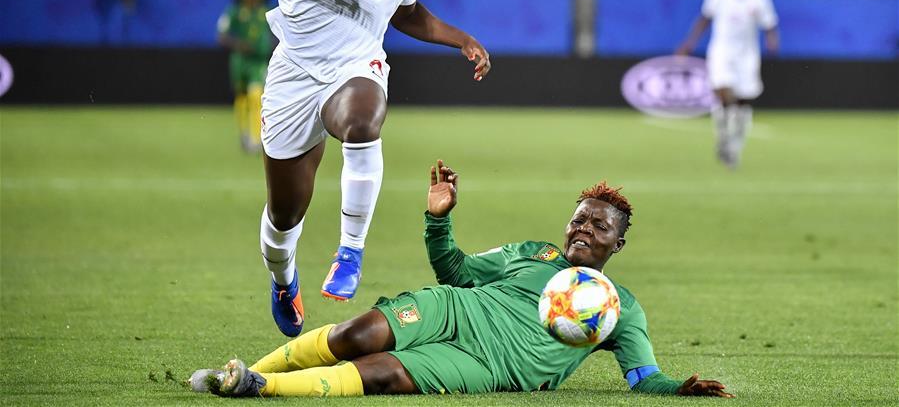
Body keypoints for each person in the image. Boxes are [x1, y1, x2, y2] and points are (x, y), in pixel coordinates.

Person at [188, 160, 734, 399]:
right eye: (578, 219)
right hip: (457, 308)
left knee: (380, 373)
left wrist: (678, 389)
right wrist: (438, 219)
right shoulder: (534, 252)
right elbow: (457, 272)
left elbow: (643, 378)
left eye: (599, 226)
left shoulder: (620, 308)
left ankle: (261, 388)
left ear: (618, 243)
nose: (583, 229)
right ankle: (239, 373)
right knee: (356, 335)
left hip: (490, 365)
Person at [258, 0, 491, 339]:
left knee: (364, 119)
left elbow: (408, 15)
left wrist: (462, 39)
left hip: (355, 65)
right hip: (294, 71)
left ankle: (350, 252)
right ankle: (283, 279)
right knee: (284, 214)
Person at [678, 0, 779, 167]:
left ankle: (734, 146)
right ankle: (723, 134)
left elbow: (769, 24)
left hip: (747, 55)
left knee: (743, 102)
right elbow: (704, 20)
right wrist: (689, 43)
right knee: (723, 90)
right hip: (722, 52)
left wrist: (772, 43)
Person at [217, 0, 274, 152]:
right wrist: (240, 45)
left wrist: (271, 45)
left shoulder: (266, 11)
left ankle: (256, 139)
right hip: (240, 61)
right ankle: (244, 133)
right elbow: (222, 36)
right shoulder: (234, 11)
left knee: (256, 96)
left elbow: (277, 33)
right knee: (241, 97)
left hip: (258, 61)